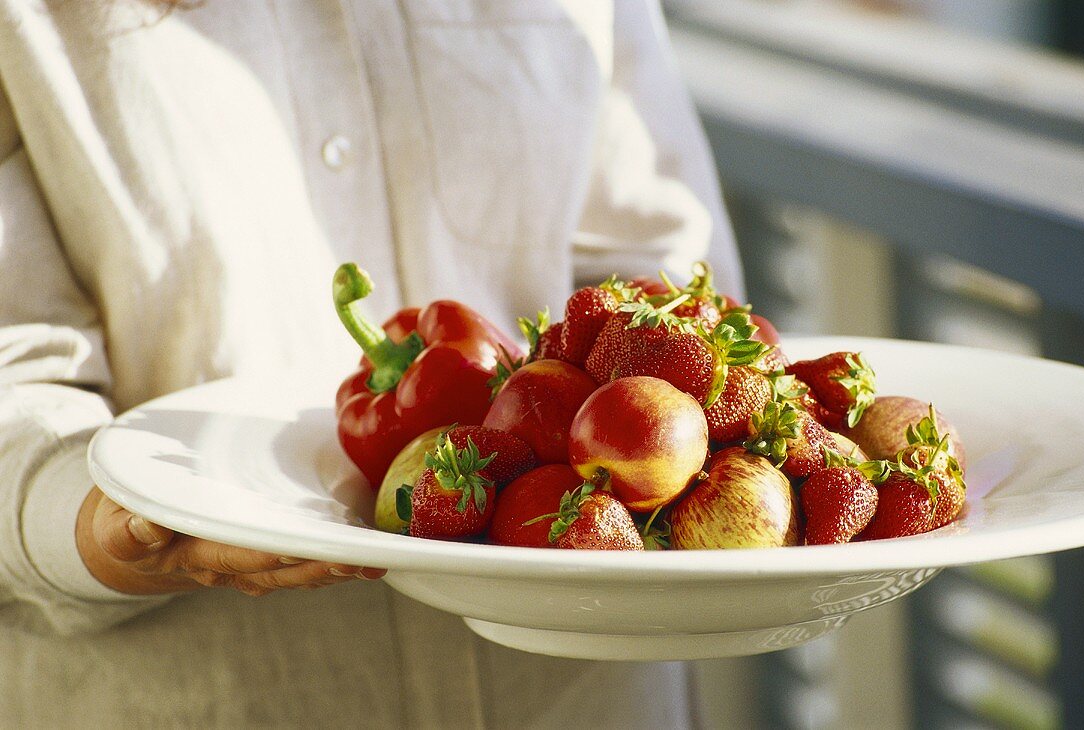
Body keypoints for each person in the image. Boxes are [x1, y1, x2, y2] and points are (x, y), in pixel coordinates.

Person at [0, 0, 744, 726]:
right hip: (201, 692)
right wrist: (106, 527)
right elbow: (16, 372)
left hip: (587, 697)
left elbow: (662, 276)